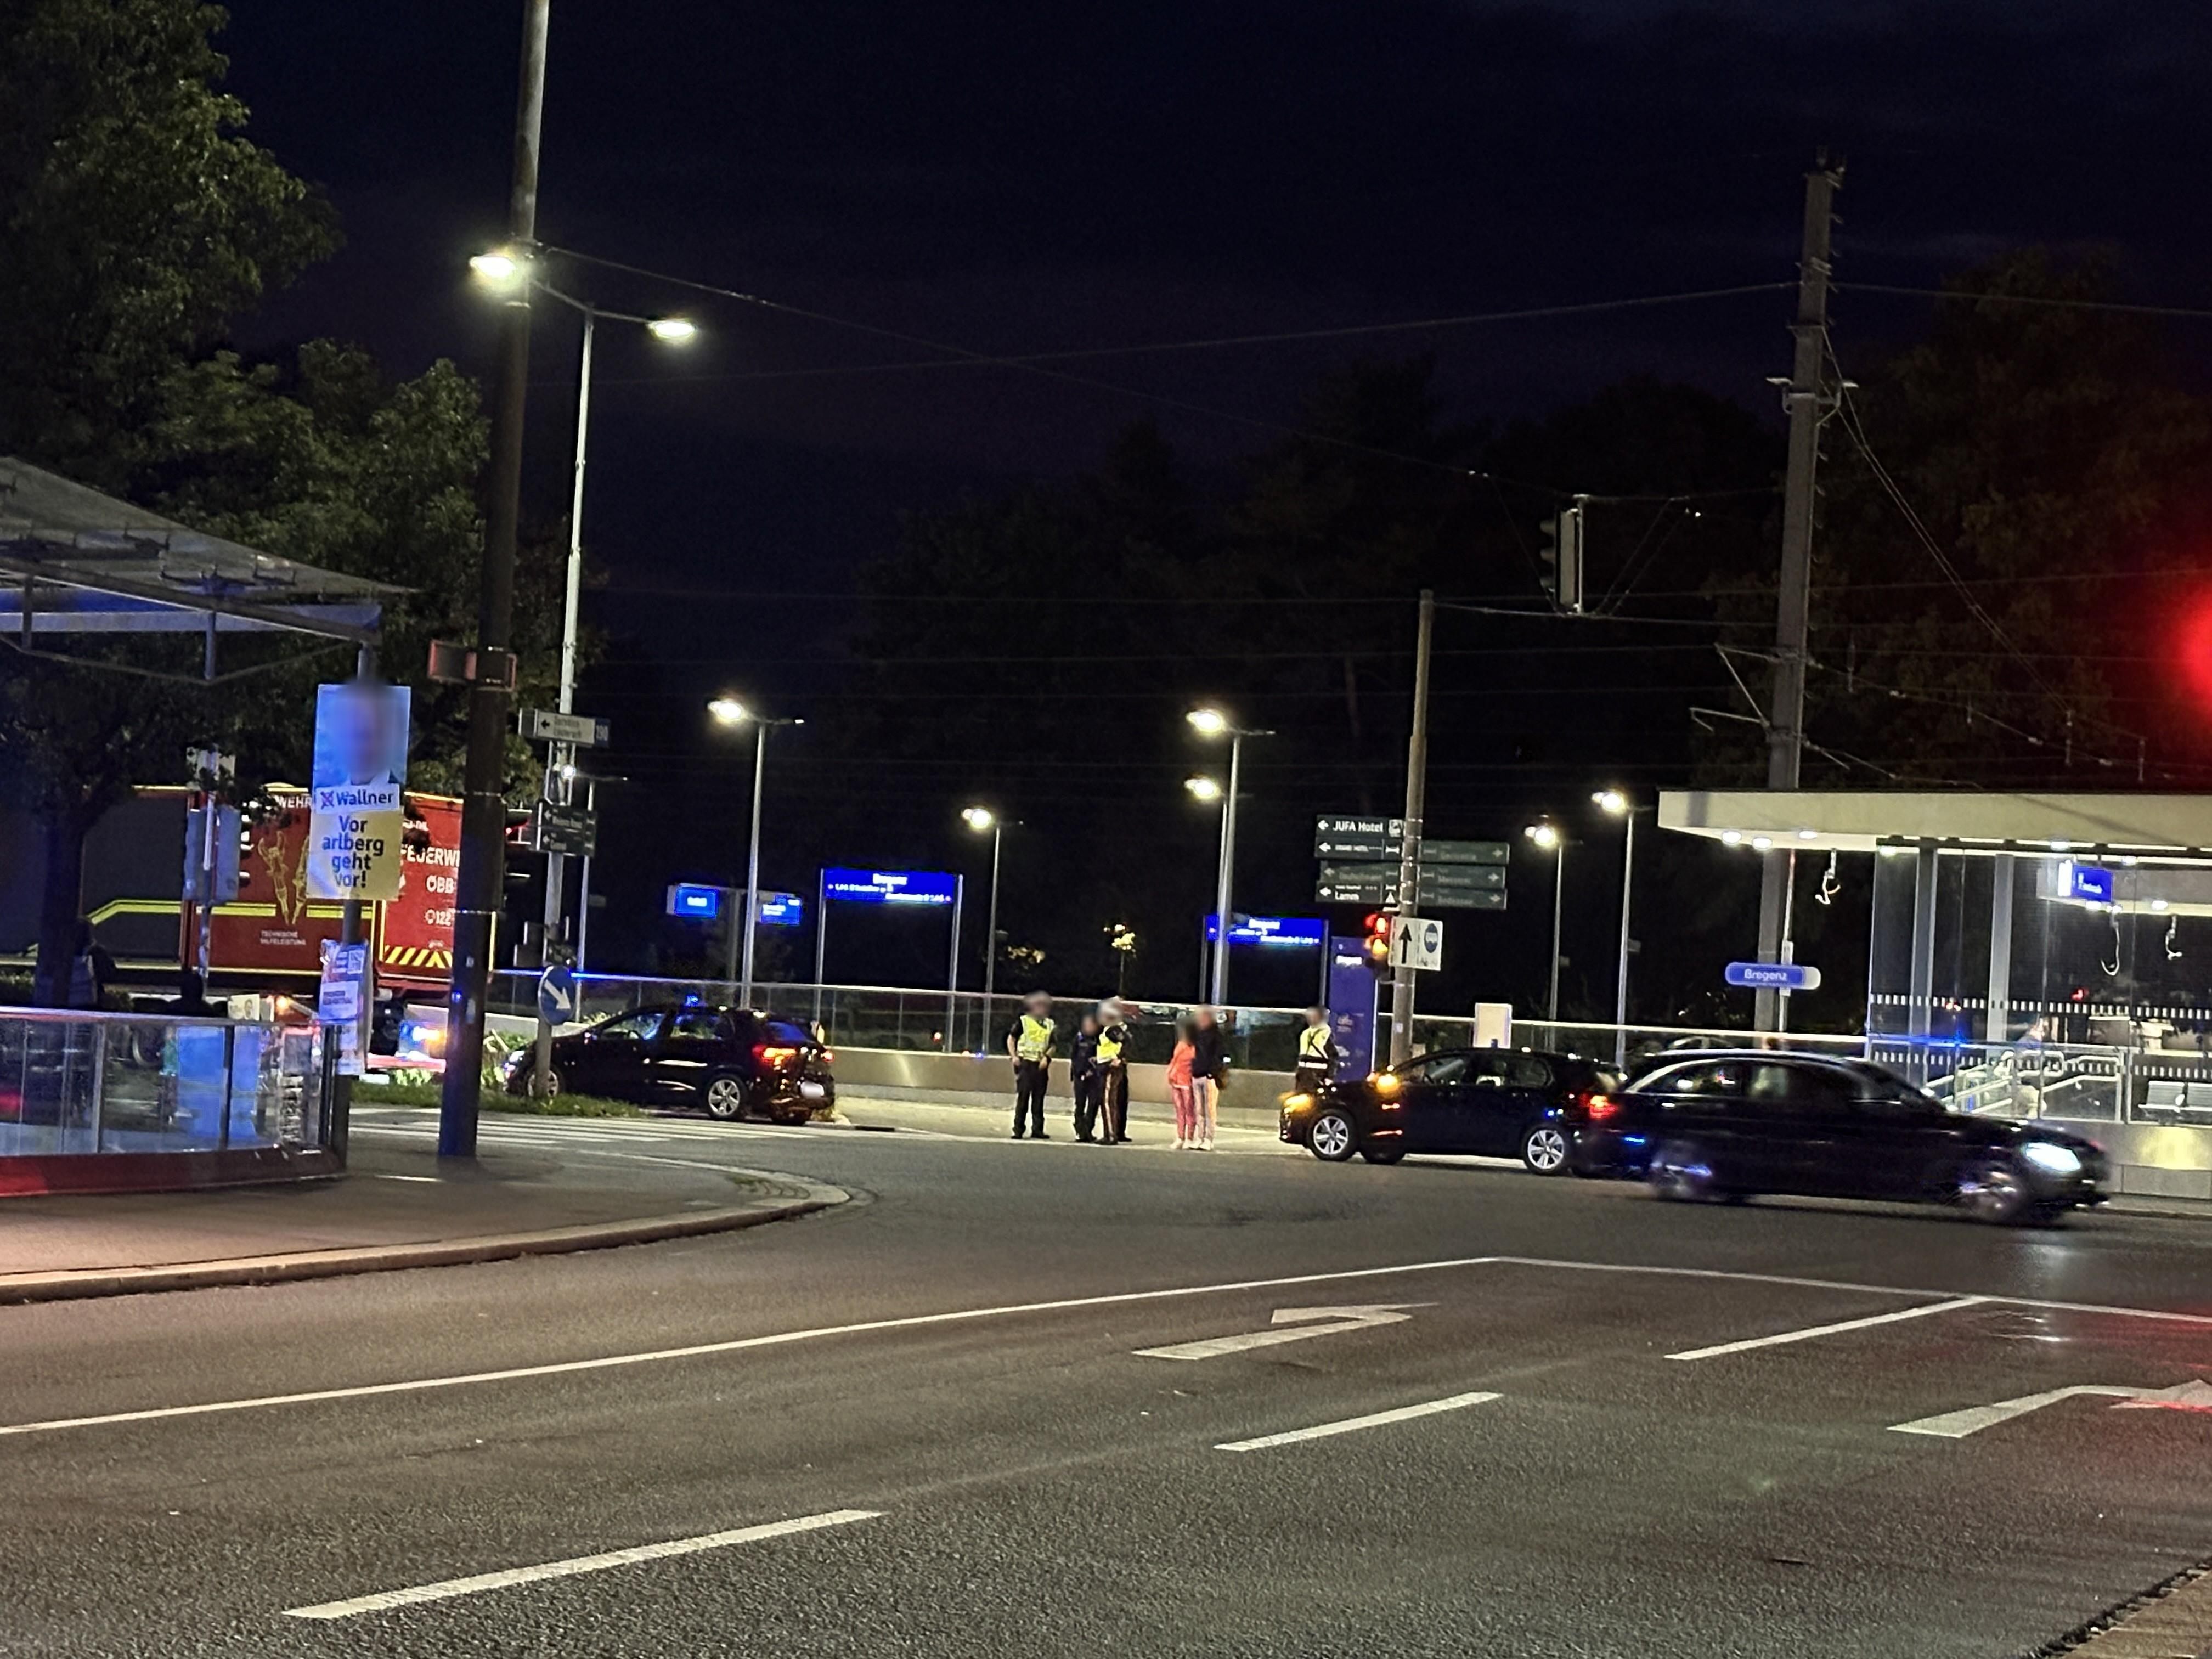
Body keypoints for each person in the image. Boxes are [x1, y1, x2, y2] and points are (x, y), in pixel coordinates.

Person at [1006, 990, 1056, 1139]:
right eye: (1039, 1005)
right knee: (1023, 1098)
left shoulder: (1049, 1024)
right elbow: (1011, 1039)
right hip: (1026, 1062)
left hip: (1040, 1065)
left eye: (1044, 1006)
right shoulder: (1023, 1022)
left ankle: (1038, 1129)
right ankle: (1018, 1129)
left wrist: (1047, 1058)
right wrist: (1014, 1056)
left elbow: (1053, 1044)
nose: (1042, 1009)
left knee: (1039, 1098)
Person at [1189, 1006, 1227, 1150]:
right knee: (1198, 1109)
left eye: (1201, 1016)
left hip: (1209, 1076)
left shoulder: (1216, 1035)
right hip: (1196, 1074)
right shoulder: (1197, 1034)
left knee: (1210, 1109)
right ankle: (1199, 1137)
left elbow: (1220, 1055)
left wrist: (1213, 1072)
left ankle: (1209, 1139)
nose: (1199, 1019)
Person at [1097, 1000, 1131, 1143]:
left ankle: (1111, 1135)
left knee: (1108, 1102)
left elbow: (1127, 1042)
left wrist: (1119, 1058)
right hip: (1106, 1067)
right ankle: (1110, 1133)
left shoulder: (1113, 1030)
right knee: (1108, 1102)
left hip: (1111, 1068)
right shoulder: (1108, 1030)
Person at [1070, 1012, 1105, 1142]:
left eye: (1091, 1024)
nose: (1088, 1027)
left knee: (1093, 1103)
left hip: (1094, 1076)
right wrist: (1077, 1073)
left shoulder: (1100, 1039)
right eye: (1086, 1024)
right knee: (1080, 1104)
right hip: (1080, 1076)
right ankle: (1080, 1130)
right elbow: (1074, 1057)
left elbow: (1102, 1056)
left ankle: (1088, 1129)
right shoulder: (1079, 1039)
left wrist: (1094, 1069)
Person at [1295, 1005, 1339, 1098]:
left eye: (1314, 1016)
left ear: (1321, 1017)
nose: (1311, 1018)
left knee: (1315, 1101)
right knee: (1300, 1101)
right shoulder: (1306, 1033)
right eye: (1309, 1016)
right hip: (1303, 1074)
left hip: (1318, 1074)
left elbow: (1333, 1056)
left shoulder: (1325, 1032)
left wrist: (1330, 1077)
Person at [1167, 1019, 1197, 1149]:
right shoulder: (1181, 1045)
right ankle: (1180, 1137)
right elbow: (1174, 1061)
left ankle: (1189, 1138)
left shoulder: (1195, 1048)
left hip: (1187, 1081)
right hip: (1177, 1080)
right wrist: (1170, 1074)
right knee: (1180, 1111)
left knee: (1189, 1111)